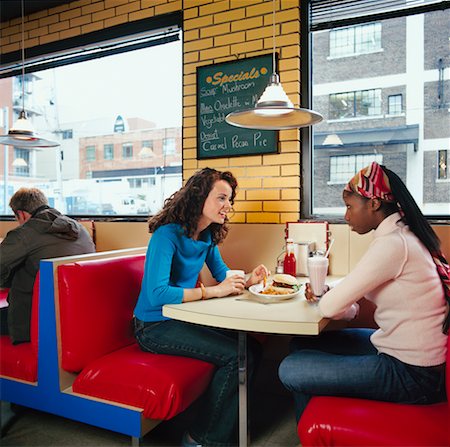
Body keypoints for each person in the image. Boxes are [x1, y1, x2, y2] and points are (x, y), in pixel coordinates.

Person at [278, 162, 449, 424]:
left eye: (349, 206)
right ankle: (312, 431)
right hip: (407, 355)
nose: (346, 216)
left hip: (414, 374)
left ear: (374, 204)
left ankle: (322, 426)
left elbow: (329, 308)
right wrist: (330, 296)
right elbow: (350, 307)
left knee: (291, 368)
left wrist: (327, 297)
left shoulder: (393, 244)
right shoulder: (400, 234)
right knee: (301, 344)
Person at [133, 167, 269, 447]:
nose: (227, 206)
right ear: (199, 197)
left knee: (251, 348)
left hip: (180, 319)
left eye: (229, 200)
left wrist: (246, 279)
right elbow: (157, 294)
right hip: (153, 326)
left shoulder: (206, 235)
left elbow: (222, 275)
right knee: (235, 356)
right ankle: (202, 439)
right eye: (221, 198)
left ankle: (227, 424)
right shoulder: (166, 236)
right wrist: (212, 292)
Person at [0, 188, 95, 344]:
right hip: (77, 314)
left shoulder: (24, 234)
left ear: (22, 214)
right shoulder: (79, 229)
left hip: (34, 319)